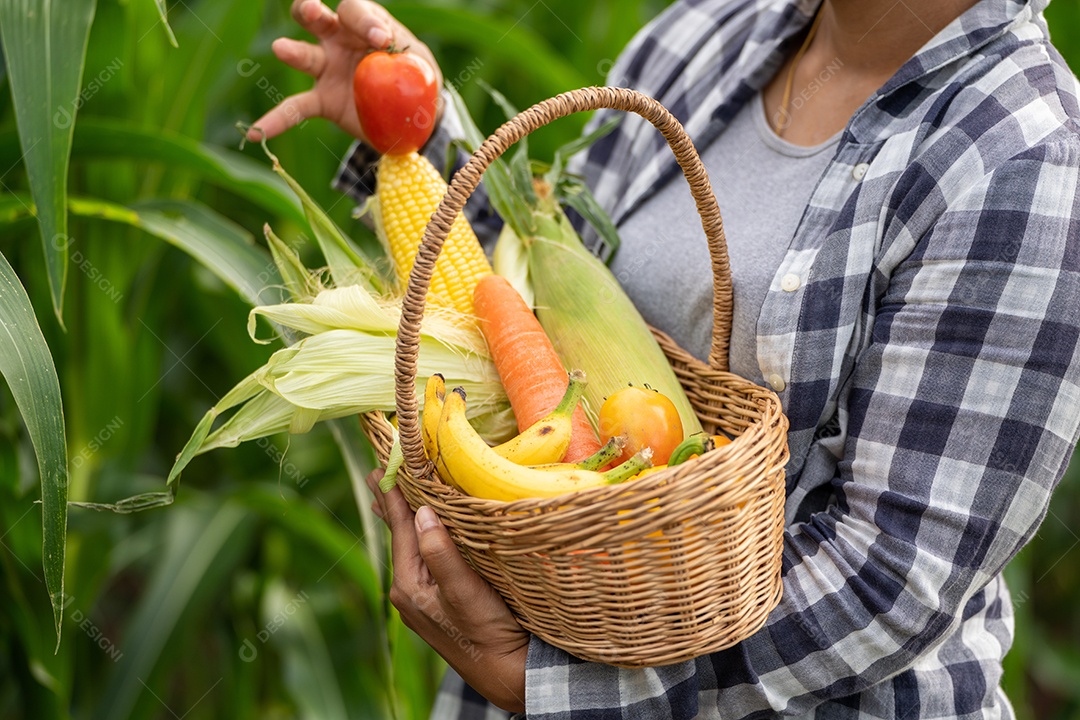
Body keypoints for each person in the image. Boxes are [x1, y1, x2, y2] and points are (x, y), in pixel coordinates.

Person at [252, 0, 1080, 717]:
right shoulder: (710, 29)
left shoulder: (1025, 155)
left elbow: (891, 577)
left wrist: (562, 692)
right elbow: (541, 299)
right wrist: (412, 135)